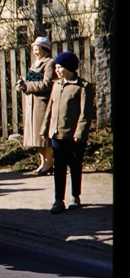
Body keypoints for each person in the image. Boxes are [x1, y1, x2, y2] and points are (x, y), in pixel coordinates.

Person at [40, 51, 94, 214]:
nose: (57, 70)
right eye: (56, 67)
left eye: (60, 67)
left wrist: (80, 133)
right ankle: (58, 200)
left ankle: (75, 197)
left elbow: (85, 113)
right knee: (59, 167)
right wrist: (44, 128)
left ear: (69, 68)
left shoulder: (83, 86)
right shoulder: (56, 85)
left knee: (75, 165)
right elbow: (49, 108)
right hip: (56, 134)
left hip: (73, 136)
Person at [16, 36, 56, 175]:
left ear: (45, 49)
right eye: (34, 49)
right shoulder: (35, 64)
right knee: (36, 137)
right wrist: (21, 85)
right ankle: (42, 163)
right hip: (32, 104)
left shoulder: (49, 63)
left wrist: (27, 86)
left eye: (37, 48)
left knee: (44, 136)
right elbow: (30, 81)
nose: (35, 51)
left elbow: (47, 84)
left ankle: (48, 163)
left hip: (42, 104)